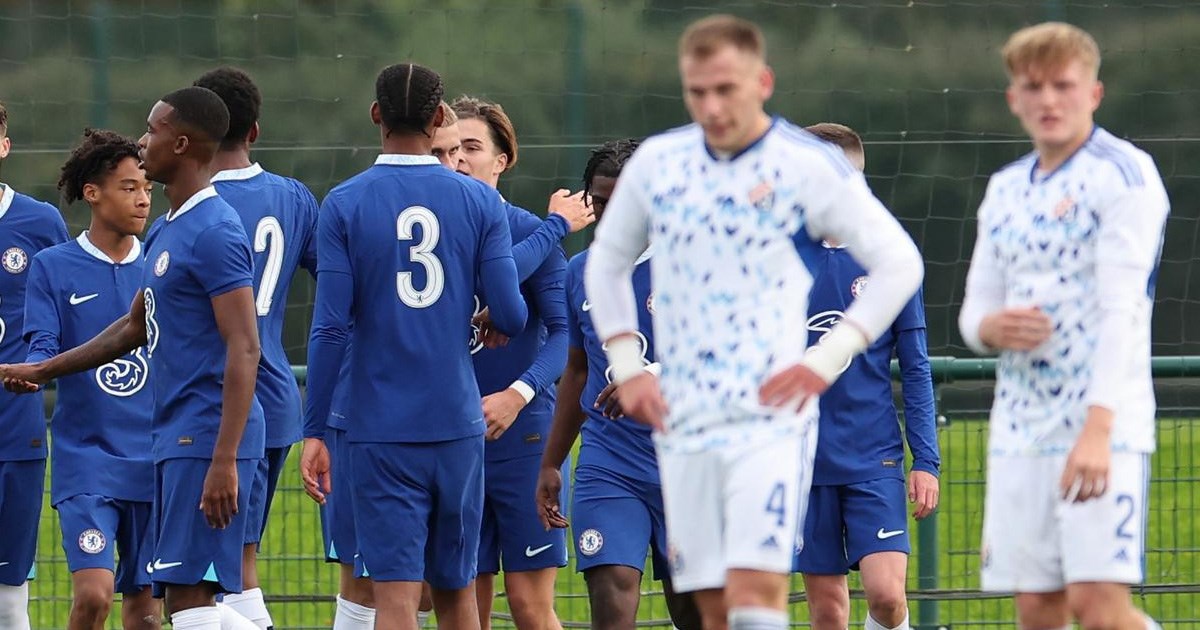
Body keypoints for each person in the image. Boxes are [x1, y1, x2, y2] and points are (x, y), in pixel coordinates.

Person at [583, 14, 924, 630]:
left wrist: (825, 359)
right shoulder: (660, 164)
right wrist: (628, 365)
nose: (712, 106)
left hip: (770, 417)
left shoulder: (806, 164)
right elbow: (605, 262)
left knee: (757, 588)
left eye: (726, 89)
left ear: (762, 82)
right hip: (686, 416)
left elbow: (900, 263)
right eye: (698, 92)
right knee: (710, 602)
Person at [1, 86, 266, 630]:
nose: (144, 142)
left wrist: (224, 458)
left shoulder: (215, 231)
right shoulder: (171, 230)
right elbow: (133, 328)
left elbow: (246, 346)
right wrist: (42, 368)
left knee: (187, 599)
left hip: (206, 439)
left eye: (153, 130)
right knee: (179, 596)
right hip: (165, 443)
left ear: (182, 143)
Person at [300, 62, 527, 630]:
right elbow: (513, 313)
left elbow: (329, 329)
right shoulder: (478, 202)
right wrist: (489, 315)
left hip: (380, 429)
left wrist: (315, 430)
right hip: (456, 424)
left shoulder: (344, 203)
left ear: (376, 114)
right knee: (457, 597)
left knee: (396, 600)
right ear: (438, 118)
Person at [958, 22, 1168, 630]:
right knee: (1036, 608)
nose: (1048, 100)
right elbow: (972, 314)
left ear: (1093, 93)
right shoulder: (1003, 189)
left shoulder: (1125, 175)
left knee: (1099, 608)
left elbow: (1123, 308)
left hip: (1104, 427)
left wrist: (1099, 430)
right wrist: (991, 327)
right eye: (1034, 87)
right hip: (1020, 429)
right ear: (1013, 98)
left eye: (1063, 85)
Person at [535, 138, 702, 630]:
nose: (609, 215)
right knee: (612, 600)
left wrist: (653, 375)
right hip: (610, 463)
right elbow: (577, 371)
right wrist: (551, 461)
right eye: (600, 201)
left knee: (695, 613)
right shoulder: (579, 272)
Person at [792, 123, 940, 630]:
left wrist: (927, 460)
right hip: (803, 460)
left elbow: (916, 367)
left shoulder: (890, 259)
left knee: (887, 597)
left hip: (872, 456)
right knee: (828, 610)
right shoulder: (779, 257)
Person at [194, 66, 321, 630]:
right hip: (278, 398)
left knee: (208, 577)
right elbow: (334, 285)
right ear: (255, 131)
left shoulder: (193, 206)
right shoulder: (294, 197)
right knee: (239, 564)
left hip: (215, 404)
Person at [21, 129, 158, 630]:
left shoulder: (162, 262)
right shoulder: (53, 267)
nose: (143, 199)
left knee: (147, 613)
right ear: (92, 193)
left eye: (147, 187)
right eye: (129, 187)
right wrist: (32, 372)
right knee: (95, 596)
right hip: (88, 461)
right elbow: (42, 345)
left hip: (155, 459)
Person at [451, 95, 570, 630]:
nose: (459, 159)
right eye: (450, 149)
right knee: (460, 603)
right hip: (451, 440)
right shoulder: (431, 233)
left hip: (524, 439)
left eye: (472, 147)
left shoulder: (527, 230)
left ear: (501, 161)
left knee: (528, 605)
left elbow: (565, 334)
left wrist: (516, 396)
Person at [0, 101, 71, 630]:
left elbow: (72, 310)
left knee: (8, 599)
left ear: (4, 146)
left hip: (14, 427)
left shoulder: (39, 222)